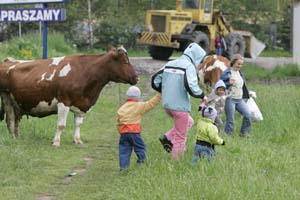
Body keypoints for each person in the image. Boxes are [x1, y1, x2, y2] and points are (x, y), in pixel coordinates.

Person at [151, 42, 207, 160]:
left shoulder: (170, 63)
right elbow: (191, 86)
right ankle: (176, 162)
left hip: (167, 105)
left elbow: (155, 79)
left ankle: (167, 138)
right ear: (196, 56)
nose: (200, 62)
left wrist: (165, 90)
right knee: (181, 137)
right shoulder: (188, 66)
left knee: (189, 122)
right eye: (200, 59)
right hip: (180, 107)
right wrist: (202, 95)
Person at [117, 86, 161, 170]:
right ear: (138, 96)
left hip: (123, 133)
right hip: (134, 132)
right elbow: (151, 103)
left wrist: (120, 131)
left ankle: (123, 168)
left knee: (124, 150)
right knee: (140, 147)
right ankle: (142, 162)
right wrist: (159, 95)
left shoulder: (122, 108)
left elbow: (118, 122)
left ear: (127, 95)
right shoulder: (139, 106)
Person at [220, 54, 251, 137]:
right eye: (238, 64)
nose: (239, 66)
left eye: (241, 64)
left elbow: (241, 85)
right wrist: (228, 83)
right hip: (230, 99)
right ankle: (228, 136)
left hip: (239, 99)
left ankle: (244, 134)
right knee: (230, 120)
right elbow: (220, 85)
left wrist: (248, 93)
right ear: (233, 63)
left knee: (248, 115)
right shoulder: (227, 73)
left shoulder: (240, 73)